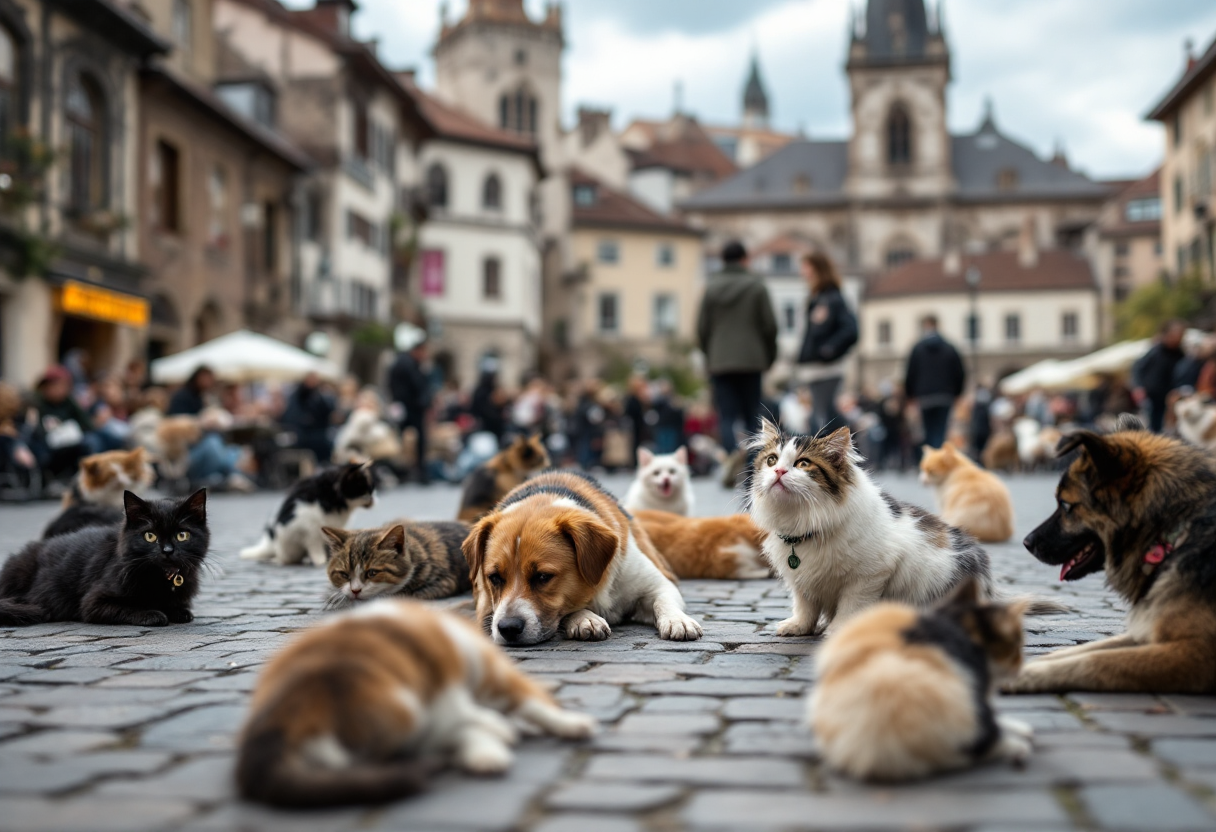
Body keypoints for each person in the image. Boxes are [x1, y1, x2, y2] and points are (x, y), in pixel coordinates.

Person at [697, 240, 778, 457]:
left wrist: (710, 356)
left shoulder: (711, 287)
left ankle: (731, 458)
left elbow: (702, 328)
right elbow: (770, 326)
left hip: (720, 361)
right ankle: (752, 465)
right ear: (745, 259)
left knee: (726, 415)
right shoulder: (756, 286)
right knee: (752, 414)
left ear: (723, 260)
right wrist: (769, 357)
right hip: (752, 359)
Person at [796, 251, 858, 434]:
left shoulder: (831, 298)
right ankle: (850, 449)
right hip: (816, 366)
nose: (802, 272)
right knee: (827, 414)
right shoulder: (817, 298)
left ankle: (845, 449)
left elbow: (851, 330)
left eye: (806, 267)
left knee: (821, 418)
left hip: (826, 367)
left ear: (817, 269)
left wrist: (829, 349)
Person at [904, 314, 965, 450]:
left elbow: (910, 373)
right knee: (941, 430)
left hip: (924, 396)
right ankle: (937, 457)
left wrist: (910, 395)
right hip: (945, 395)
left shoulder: (917, 348)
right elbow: (959, 372)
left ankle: (931, 457)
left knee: (928, 430)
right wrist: (957, 393)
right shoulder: (950, 347)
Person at [388, 326, 433, 484]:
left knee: (403, 439)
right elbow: (419, 386)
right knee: (417, 440)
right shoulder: (409, 364)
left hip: (406, 407)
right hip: (412, 408)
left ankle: (403, 472)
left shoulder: (401, 362)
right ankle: (415, 473)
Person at [1132, 319, 1187, 433]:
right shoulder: (1156, 351)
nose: (1179, 338)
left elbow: (1182, 374)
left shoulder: (1180, 353)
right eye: (1176, 334)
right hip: (1152, 394)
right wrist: (1138, 386)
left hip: (1170, 396)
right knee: (1154, 424)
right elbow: (1137, 368)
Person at [280, 372, 335, 464]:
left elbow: (327, 413)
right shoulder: (297, 395)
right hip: (300, 435)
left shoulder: (320, 397)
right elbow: (291, 416)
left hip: (316, 436)